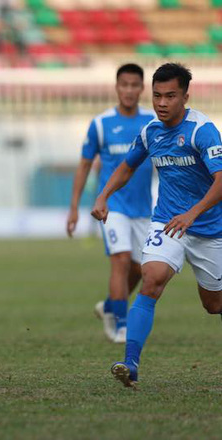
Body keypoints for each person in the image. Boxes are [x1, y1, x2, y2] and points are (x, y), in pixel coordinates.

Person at [91, 63, 222, 388]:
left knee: (214, 304)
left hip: (209, 229)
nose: (162, 103)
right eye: (158, 96)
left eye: (170, 96)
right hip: (167, 223)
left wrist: (192, 213)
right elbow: (126, 167)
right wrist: (104, 195)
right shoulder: (151, 131)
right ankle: (130, 363)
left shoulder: (201, 130)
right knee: (151, 279)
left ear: (185, 96)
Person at [67, 64, 155, 343]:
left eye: (134, 85)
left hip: (143, 209)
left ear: (142, 88)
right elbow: (83, 165)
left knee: (141, 269)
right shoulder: (101, 123)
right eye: (124, 85)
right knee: (120, 260)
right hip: (112, 207)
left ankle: (109, 307)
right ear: (116, 87)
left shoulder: (153, 123)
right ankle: (121, 326)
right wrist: (74, 207)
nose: (129, 90)